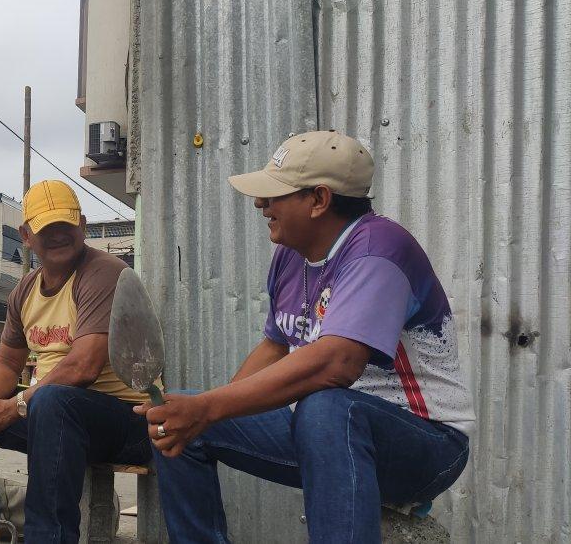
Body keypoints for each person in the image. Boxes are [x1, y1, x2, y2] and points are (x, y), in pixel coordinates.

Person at [140, 131, 474, 543]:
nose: (261, 204)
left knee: (325, 406)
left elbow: (337, 364)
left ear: (319, 200)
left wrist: (209, 408)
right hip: (325, 428)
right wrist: (203, 412)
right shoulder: (290, 254)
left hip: (427, 443)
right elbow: (275, 346)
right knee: (173, 421)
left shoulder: (378, 250)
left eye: (274, 194)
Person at [0, 180, 152, 544]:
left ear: (81, 224)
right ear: (26, 234)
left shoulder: (104, 273)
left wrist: (13, 407)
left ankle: (48, 537)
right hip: (55, 416)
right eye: (47, 228)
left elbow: (83, 366)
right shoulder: (25, 290)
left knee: (51, 402)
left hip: (128, 422)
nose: (59, 235)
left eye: (66, 224)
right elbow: (6, 360)